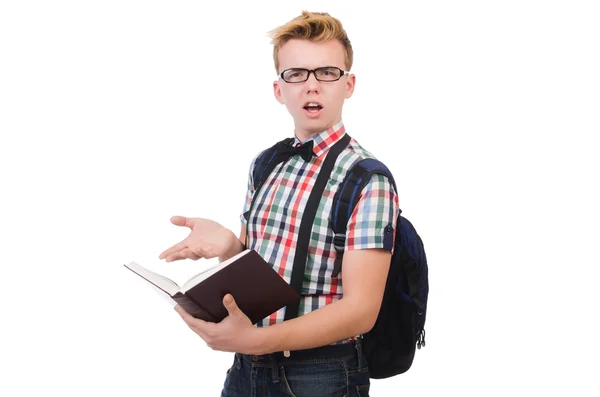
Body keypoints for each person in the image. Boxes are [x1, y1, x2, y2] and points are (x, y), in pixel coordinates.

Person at [159, 11, 400, 397]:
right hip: (246, 369)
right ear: (279, 89)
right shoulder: (266, 163)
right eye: (296, 74)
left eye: (327, 73)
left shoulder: (367, 178)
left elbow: (361, 310)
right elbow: (258, 276)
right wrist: (229, 247)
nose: (311, 86)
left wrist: (254, 341)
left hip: (322, 374)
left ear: (348, 84)